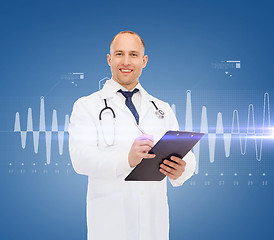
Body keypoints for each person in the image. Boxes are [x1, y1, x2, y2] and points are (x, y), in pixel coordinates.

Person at [68, 31, 196, 240]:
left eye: (134, 55)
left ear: (144, 61)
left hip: (154, 226)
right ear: (109, 59)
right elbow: (80, 159)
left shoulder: (161, 108)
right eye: (119, 54)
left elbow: (187, 156)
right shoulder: (86, 106)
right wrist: (127, 159)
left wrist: (182, 169)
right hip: (110, 226)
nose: (126, 61)